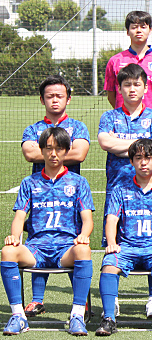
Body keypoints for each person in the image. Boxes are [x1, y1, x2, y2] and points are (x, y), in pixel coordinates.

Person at [1, 127, 94, 336]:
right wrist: (14, 238)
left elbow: (87, 219)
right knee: (7, 251)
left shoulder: (79, 182)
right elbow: (19, 217)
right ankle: (18, 316)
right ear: (41, 151)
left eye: (59, 149)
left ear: (66, 151)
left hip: (65, 248)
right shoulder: (29, 182)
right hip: (36, 249)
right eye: (49, 148)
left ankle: (77, 315)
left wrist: (83, 236)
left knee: (83, 250)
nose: (53, 154)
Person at [98, 63, 152, 317]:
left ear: (145, 87)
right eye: (126, 84)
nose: (131, 89)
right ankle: (111, 300)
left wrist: (123, 145)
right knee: (113, 244)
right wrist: (142, 146)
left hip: (150, 190)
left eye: (137, 84)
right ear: (119, 88)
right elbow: (105, 141)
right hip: (119, 189)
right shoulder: (110, 117)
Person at [96, 139, 152, 337]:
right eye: (138, 158)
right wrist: (111, 243)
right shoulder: (120, 189)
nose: (144, 162)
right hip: (127, 248)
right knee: (109, 264)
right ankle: (109, 318)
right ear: (132, 162)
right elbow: (111, 220)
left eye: (148, 158)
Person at [21, 75, 91, 317]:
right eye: (49, 96)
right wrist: (62, 152)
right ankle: (37, 300)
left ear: (68, 99)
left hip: (71, 196)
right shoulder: (32, 129)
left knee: (72, 242)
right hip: (41, 194)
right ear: (42, 99)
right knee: (39, 240)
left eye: (59, 96)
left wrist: (47, 152)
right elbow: (28, 154)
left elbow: (80, 153)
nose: (54, 100)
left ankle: (81, 302)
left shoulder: (78, 127)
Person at [103, 11, 152, 183]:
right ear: (127, 31)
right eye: (133, 27)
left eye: (143, 26)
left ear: (150, 29)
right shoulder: (115, 61)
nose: (138, 31)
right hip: (122, 130)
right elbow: (112, 94)